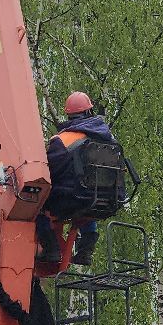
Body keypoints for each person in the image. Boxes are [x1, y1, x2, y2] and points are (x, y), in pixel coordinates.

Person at [40, 91, 123, 267]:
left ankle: (51, 249)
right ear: (90, 112)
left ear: (68, 115)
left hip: (73, 199)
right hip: (107, 198)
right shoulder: (110, 139)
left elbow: (46, 170)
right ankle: (86, 250)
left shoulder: (62, 140)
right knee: (90, 195)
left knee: (36, 201)